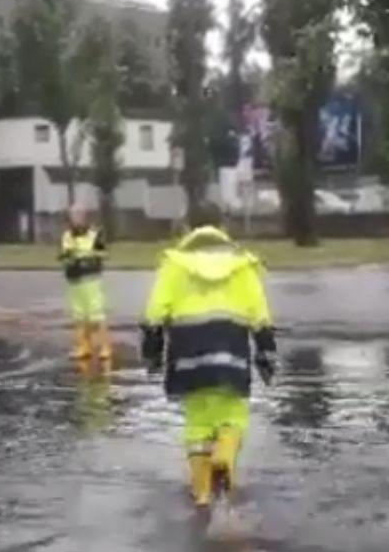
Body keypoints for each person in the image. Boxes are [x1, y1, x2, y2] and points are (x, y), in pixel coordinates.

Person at [142, 213, 277, 508]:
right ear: (223, 230)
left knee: (197, 426)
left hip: (188, 357)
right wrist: (266, 354)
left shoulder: (174, 265)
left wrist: (152, 351)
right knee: (232, 415)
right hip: (231, 355)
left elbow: (155, 311)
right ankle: (224, 457)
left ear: (190, 230)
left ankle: (202, 491)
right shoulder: (242, 265)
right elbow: (259, 311)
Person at [59, 205, 112, 363]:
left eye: (79, 215)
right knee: (79, 316)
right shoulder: (67, 235)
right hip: (74, 279)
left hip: (91, 279)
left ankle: (105, 347)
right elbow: (64, 253)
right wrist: (68, 257)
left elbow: (104, 252)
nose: (76, 219)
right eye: (73, 216)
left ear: (85, 217)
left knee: (96, 314)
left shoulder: (94, 234)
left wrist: (87, 256)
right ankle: (84, 347)